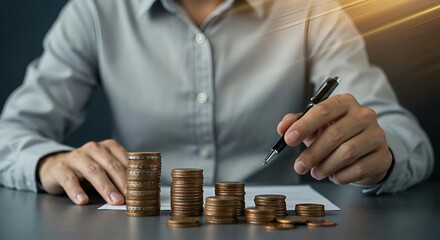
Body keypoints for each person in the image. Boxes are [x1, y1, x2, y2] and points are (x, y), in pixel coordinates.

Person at [0, 0, 434, 205]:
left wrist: (383, 154)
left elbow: (405, 136)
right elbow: (10, 134)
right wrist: (46, 161)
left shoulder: (311, 9)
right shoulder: (95, 11)